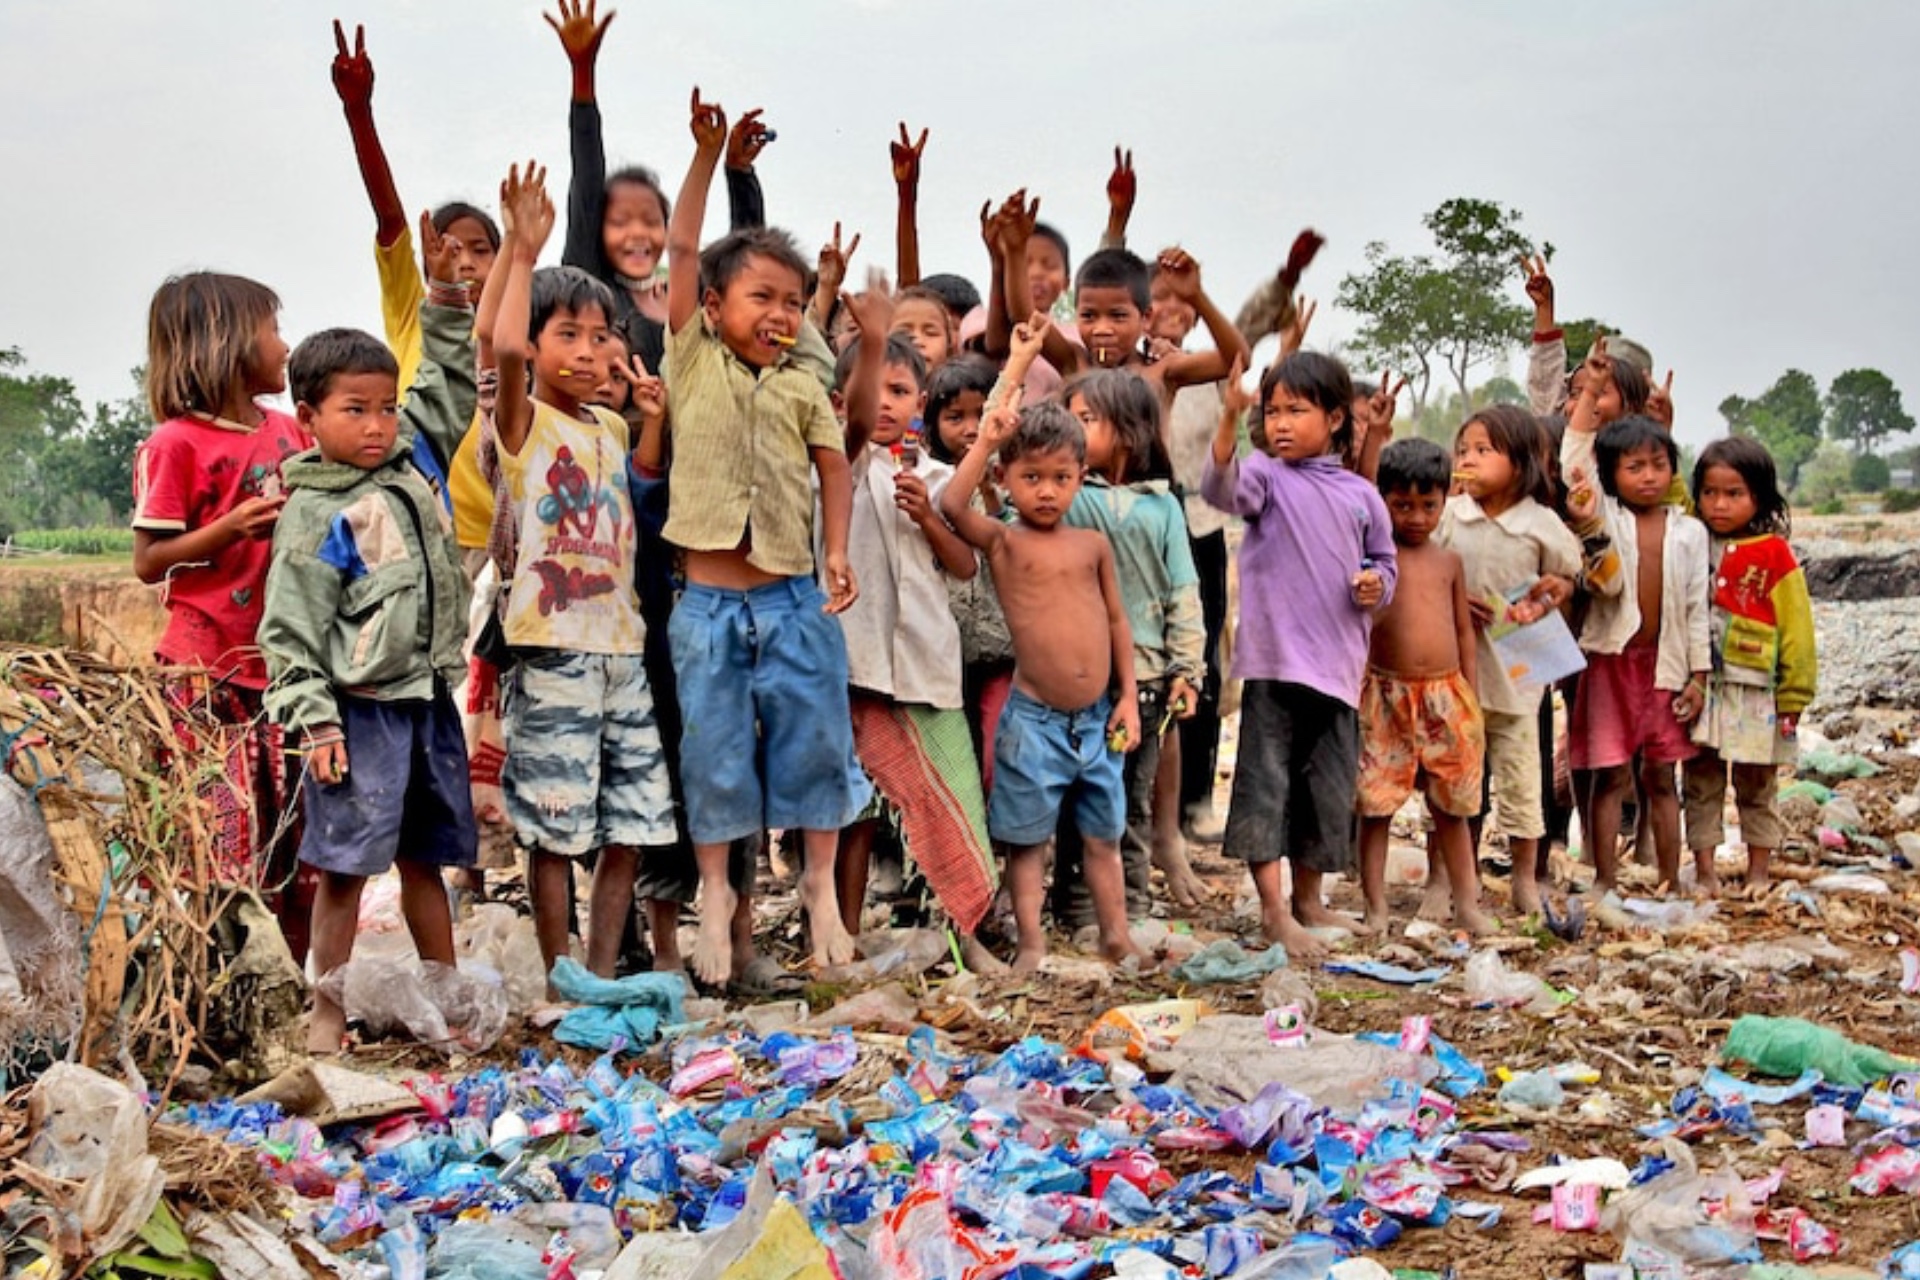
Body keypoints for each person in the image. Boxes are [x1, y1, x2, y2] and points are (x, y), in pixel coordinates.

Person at [662, 88, 878, 984]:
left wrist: (835, 550)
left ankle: (820, 888)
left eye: (794, 302)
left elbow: (834, 463)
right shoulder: (691, 354)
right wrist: (709, 155)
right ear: (712, 306)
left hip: (794, 599)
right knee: (713, 755)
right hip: (708, 605)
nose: (782, 315)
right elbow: (681, 246)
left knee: (818, 745)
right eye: (762, 298)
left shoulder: (801, 378)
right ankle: (715, 896)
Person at [259, 329, 476, 1053]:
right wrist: (316, 726)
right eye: (356, 410)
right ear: (308, 416)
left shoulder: (407, 469)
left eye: (386, 408)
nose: (378, 425)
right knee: (347, 868)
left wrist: (446, 302)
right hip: (358, 717)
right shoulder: (316, 517)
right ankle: (328, 1012)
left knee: (426, 859)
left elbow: (447, 384)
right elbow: (289, 636)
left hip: (427, 704)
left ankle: (446, 998)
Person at [486, 162, 676, 986]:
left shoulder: (606, 423)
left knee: (630, 821)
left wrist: (655, 424)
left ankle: (598, 972)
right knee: (557, 825)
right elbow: (498, 344)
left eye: (603, 335)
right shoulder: (523, 422)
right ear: (534, 350)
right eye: (569, 334)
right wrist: (522, 250)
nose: (592, 349)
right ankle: (560, 973)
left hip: (621, 650)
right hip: (552, 646)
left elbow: (641, 481)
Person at [131, 271, 316, 958]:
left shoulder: (290, 431)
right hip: (207, 672)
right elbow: (150, 561)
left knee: (297, 840)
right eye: (273, 330)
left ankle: (289, 986)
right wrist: (228, 529)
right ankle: (221, 984)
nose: (285, 346)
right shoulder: (176, 443)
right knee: (221, 844)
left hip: (286, 670)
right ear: (230, 343)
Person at [938, 389, 1144, 972]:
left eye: (1061, 477)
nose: (1047, 491)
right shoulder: (1005, 540)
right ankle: (1032, 943)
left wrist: (1127, 696)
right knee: (1028, 840)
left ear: (1082, 476)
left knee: (1104, 835)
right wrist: (987, 440)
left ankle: (1116, 936)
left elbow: (1115, 621)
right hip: (1034, 722)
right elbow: (953, 504)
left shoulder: (1092, 545)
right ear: (1006, 478)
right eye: (1031, 477)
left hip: (1098, 717)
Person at [1202, 352, 1396, 961]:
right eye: (1273, 410)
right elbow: (1221, 488)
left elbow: (1386, 564)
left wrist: (1376, 585)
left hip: (1337, 671)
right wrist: (1231, 419)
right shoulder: (1266, 475)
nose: (1281, 422)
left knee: (1326, 790)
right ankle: (1274, 911)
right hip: (1274, 664)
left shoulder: (1363, 496)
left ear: (1337, 418)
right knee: (1266, 786)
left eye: (1297, 410)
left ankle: (1311, 900)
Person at [829, 332, 1000, 961]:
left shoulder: (937, 477)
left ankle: (965, 932)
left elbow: (963, 567)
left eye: (899, 391)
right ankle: (842, 936)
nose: (885, 404)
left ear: (920, 402)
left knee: (953, 801)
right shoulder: (838, 468)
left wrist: (928, 516)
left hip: (928, 665)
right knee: (856, 812)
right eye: (869, 391)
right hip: (859, 665)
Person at [1052, 368, 1204, 924]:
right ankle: (1075, 909)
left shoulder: (1161, 507)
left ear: (1131, 431)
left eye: (1086, 419)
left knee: (1131, 799)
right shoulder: (1067, 495)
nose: (1072, 428)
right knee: (1078, 796)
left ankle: (1130, 905)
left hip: (1144, 681)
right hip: (1077, 678)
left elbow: (1183, 593)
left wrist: (1187, 670)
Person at [1562, 358, 1712, 894]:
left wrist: (1699, 676)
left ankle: (1670, 876)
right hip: (1610, 662)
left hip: (1667, 668)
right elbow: (1574, 455)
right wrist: (1593, 391)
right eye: (1634, 467)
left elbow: (1697, 609)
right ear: (1611, 476)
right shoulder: (1604, 519)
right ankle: (1605, 876)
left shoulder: (1689, 532)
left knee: (1661, 775)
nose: (1648, 476)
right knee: (1610, 774)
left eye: (1658, 464)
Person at [1438, 404, 1579, 914]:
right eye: (1463, 451)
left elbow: (1568, 572)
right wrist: (1451, 599)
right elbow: (1425, 566)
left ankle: (1524, 878)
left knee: (1522, 785)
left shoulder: (1539, 523)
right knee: (1459, 786)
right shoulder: (1451, 516)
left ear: (1519, 463)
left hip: (1519, 675)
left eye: (1483, 450)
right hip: (1457, 676)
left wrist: (1554, 589)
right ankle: (1456, 878)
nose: (1468, 460)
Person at [1355, 439, 1493, 936]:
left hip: (1445, 696)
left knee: (1452, 809)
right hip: (1384, 696)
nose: (1416, 517)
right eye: (1402, 505)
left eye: (1428, 505)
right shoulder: (1376, 560)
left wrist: (1470, 697)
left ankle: (1468, 903)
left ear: (1446, 498)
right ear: (1383, 500)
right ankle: (1375, 908)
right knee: (1376, 807)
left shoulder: (1448, 562)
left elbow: (1462, 632)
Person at [1683, 437, 1815, 892]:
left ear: (1758, 496)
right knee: (1700, 781)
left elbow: (1798, 630)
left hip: (1757, 689)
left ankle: (1759, 871)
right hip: (1704, 684)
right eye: (1709, 493)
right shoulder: (1692, 540)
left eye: (1733, 494)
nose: (1719, 504)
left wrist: (1794, 694)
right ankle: (1704, 871)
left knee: (1757, 784)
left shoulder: (1775, 554)